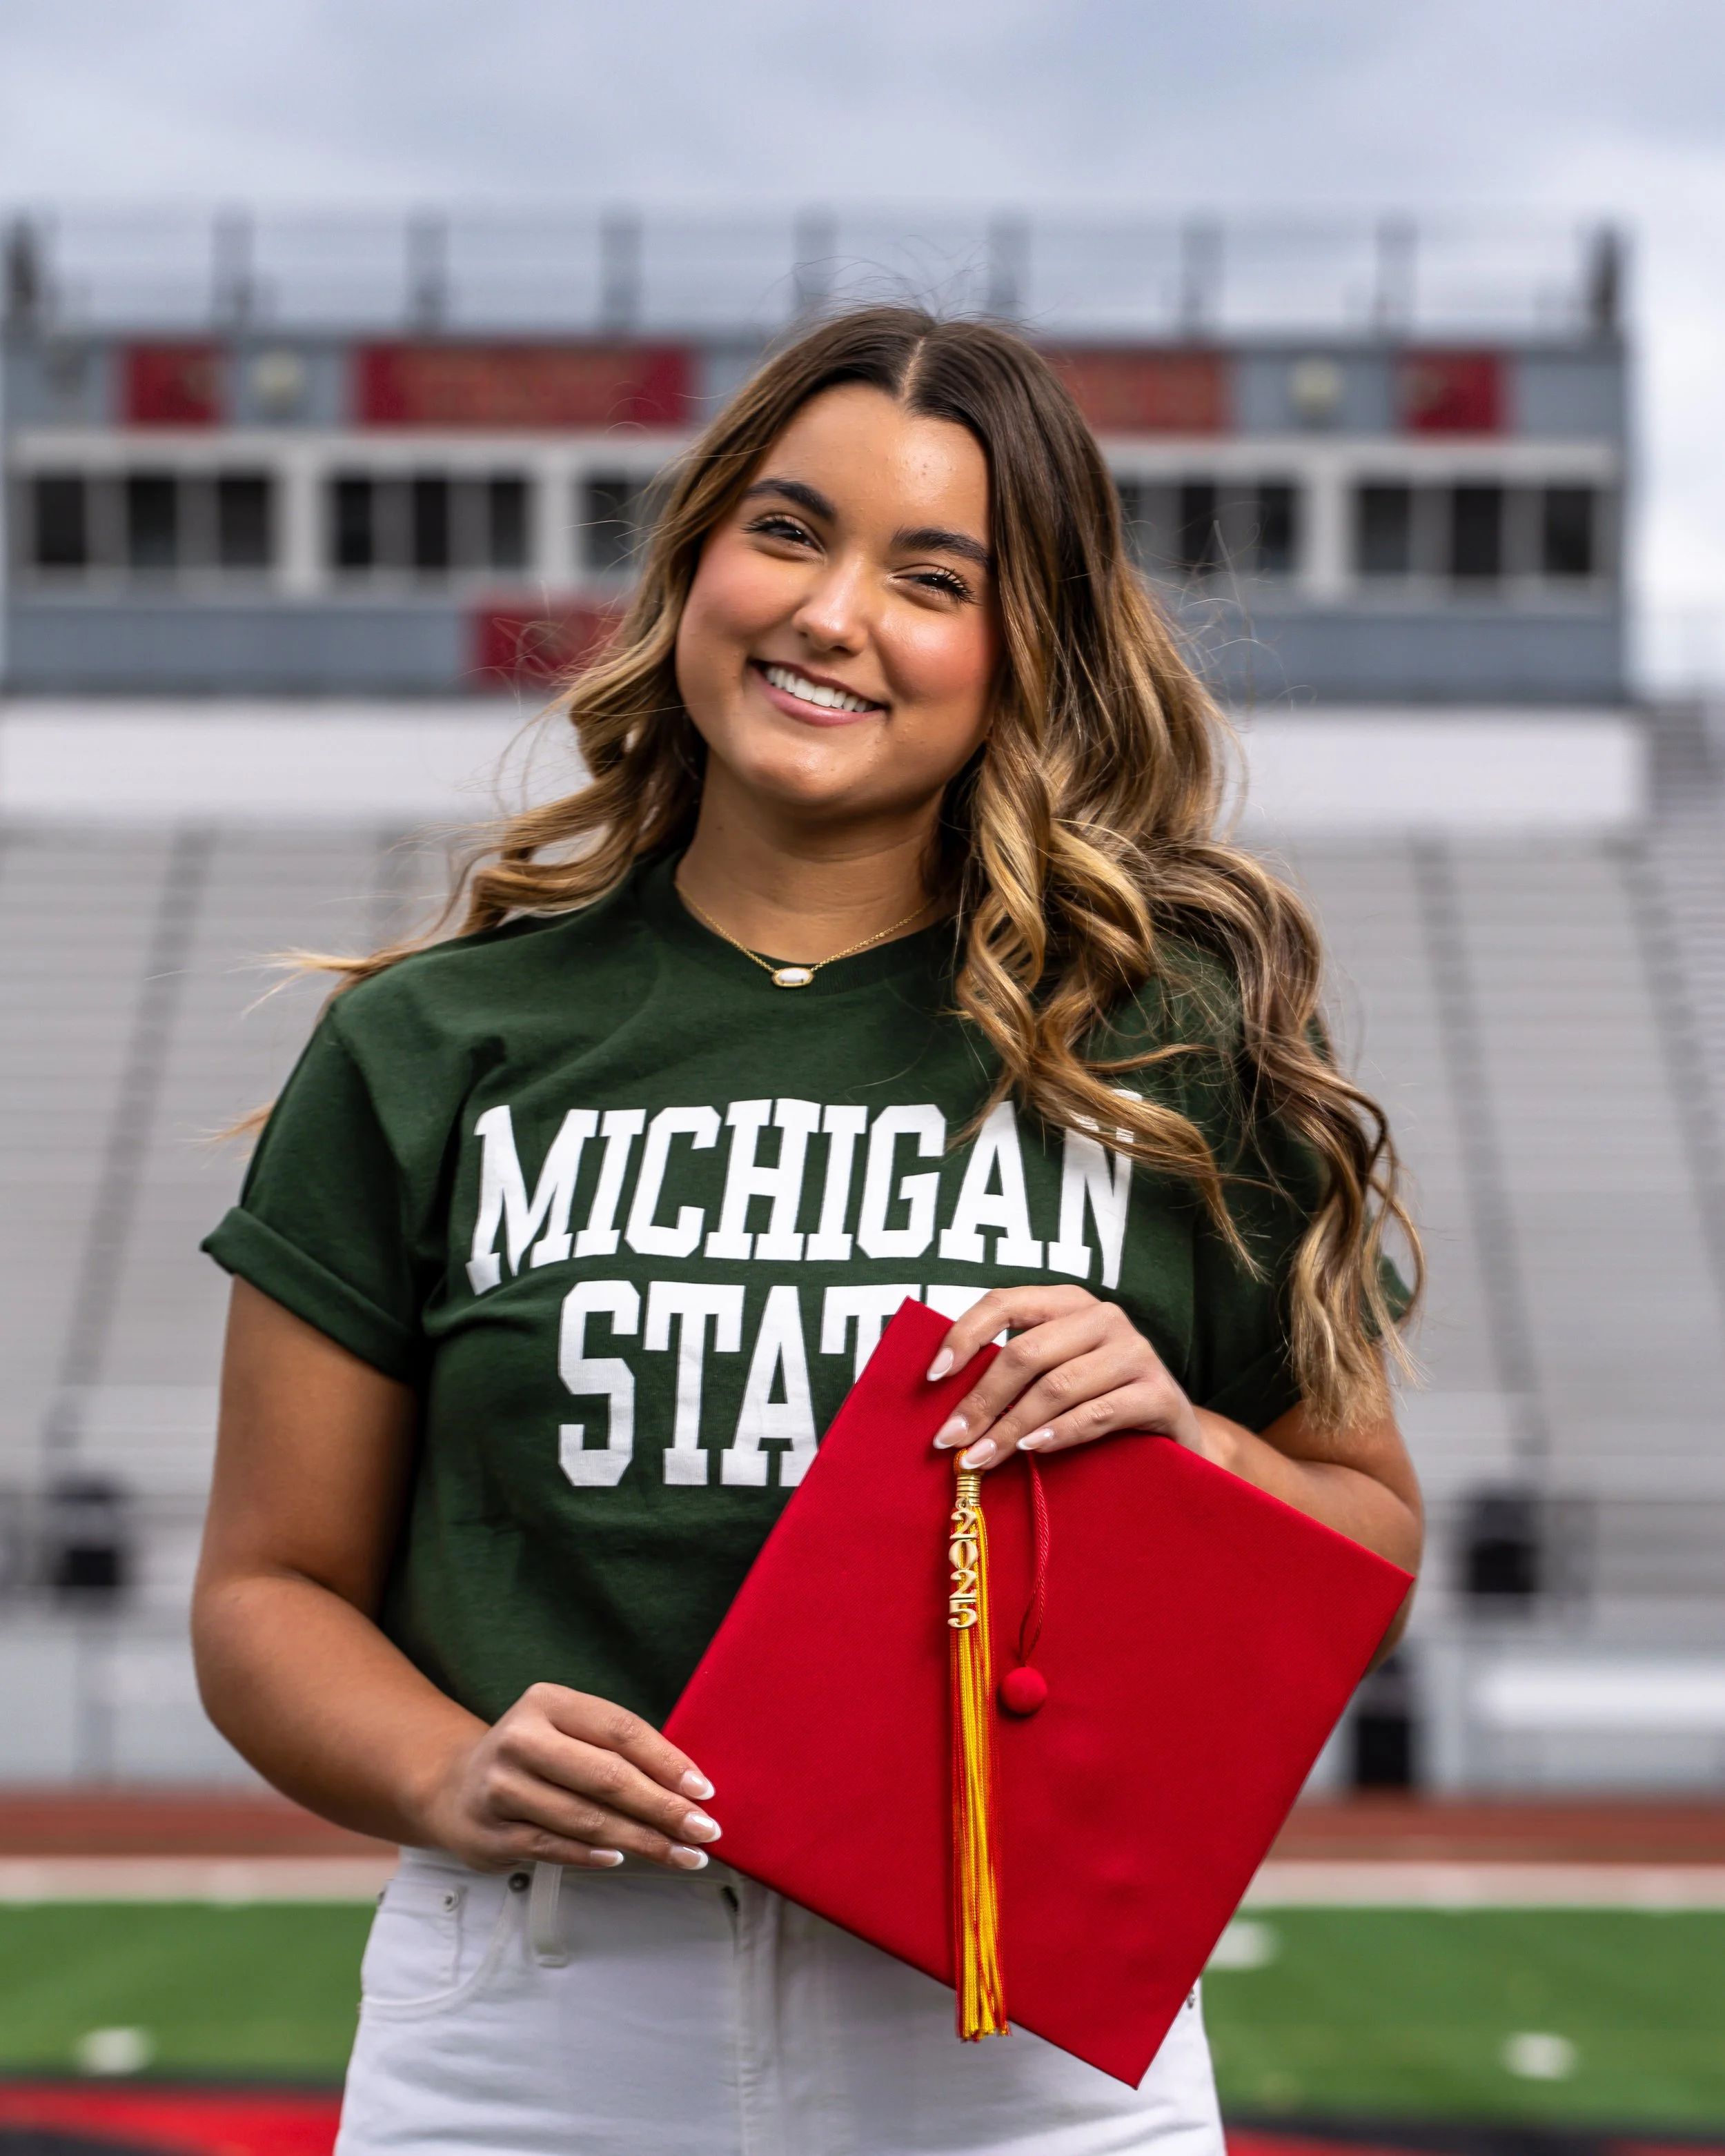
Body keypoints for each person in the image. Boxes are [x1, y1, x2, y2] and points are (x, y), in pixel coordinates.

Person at [193, 305, 1423, 2156]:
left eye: (933, 577)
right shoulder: (433, 1042)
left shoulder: (1170, 1039)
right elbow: (264, 1592)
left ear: (1024, 647)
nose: (833, 614)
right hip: (534, 2022)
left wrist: (1188, 1441)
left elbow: (1365, 1536)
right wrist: (447, 1768)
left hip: (1013, 2031)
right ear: (694, 561)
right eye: (786, 531)